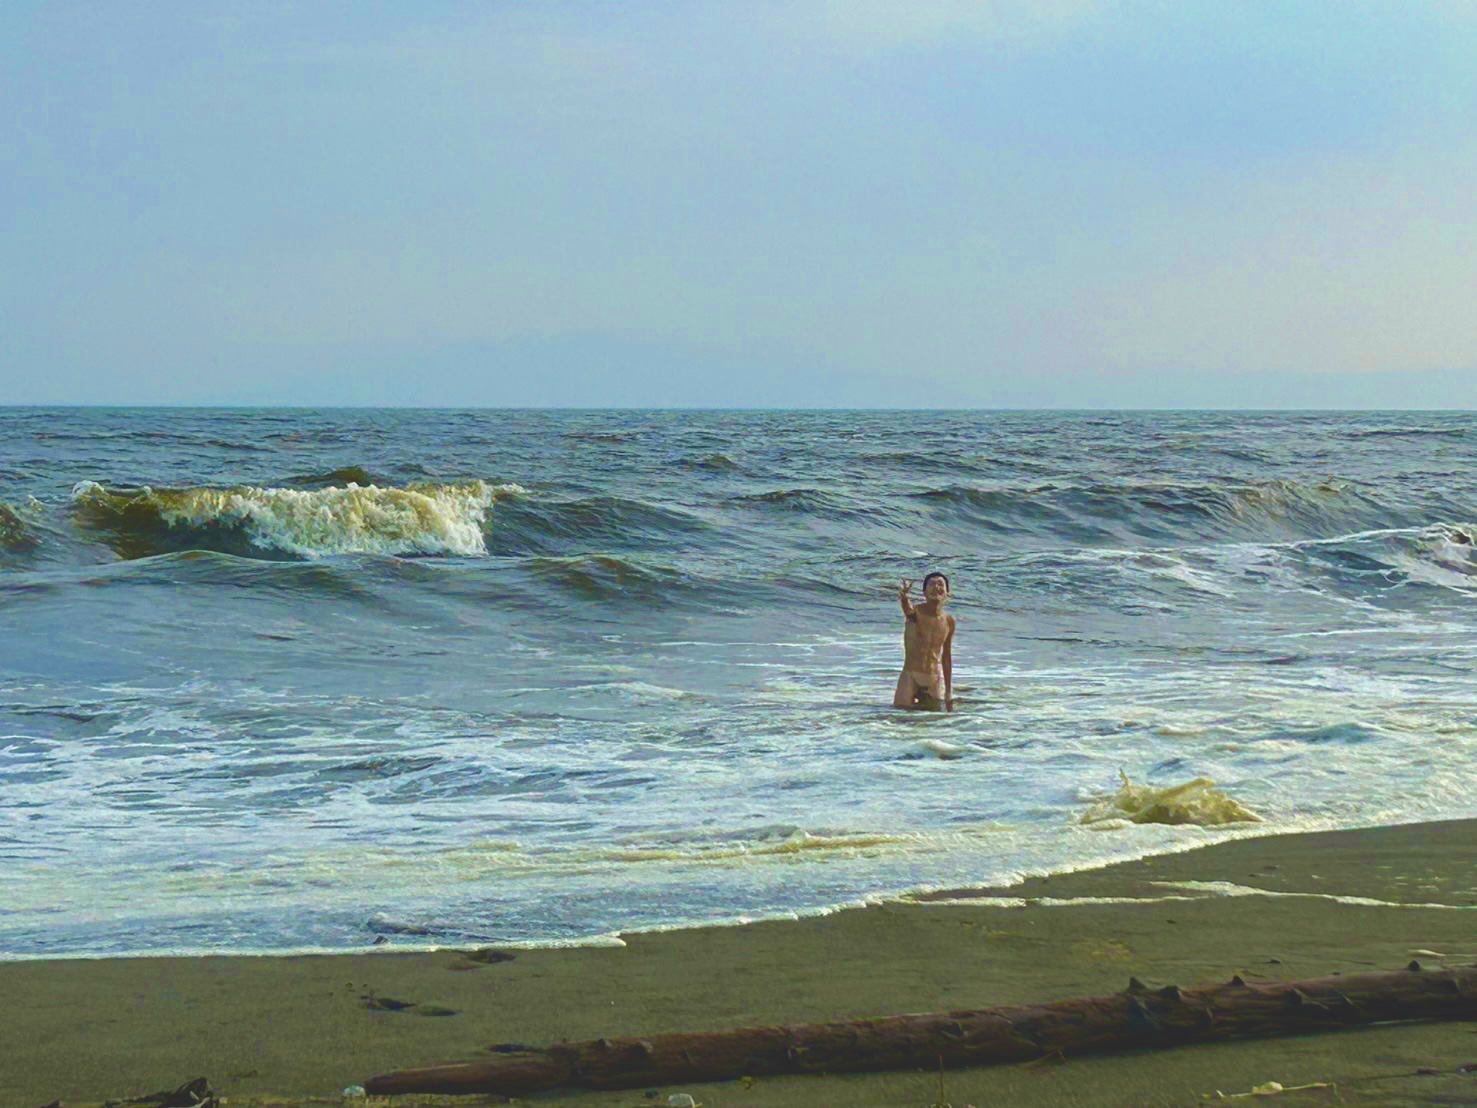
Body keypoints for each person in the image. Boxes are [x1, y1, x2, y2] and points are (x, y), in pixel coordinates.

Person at [893, 572, 955, 711]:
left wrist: (948, 691)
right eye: (931, 584)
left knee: (933, 719)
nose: (936, 587)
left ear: (948, 593)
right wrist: (904, 598)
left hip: (933, 679)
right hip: (910, 676)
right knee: (900, 716)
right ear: (924, 593)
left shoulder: (949, 621)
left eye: (940, 584)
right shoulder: (916, 612)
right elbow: (908, 610)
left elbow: (946, 657)